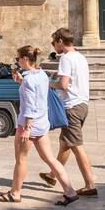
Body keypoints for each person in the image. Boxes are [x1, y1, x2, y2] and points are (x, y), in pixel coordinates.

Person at [0, 46, 77, 205]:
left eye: (18, 58)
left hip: (29, 126)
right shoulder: (42, 74)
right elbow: (37, 93)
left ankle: (15, 193)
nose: (17, 61)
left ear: (25, 59)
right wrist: (21, 81)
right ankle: (70, 191)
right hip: (42, 123)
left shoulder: (28, 80)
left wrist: (26, 129)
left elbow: (29, 106)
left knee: (21, 160)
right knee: (50, 159)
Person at [40, 28, 96, 197]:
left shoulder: (65, 58)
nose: (53, 46)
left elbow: (63, 85)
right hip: (83, 105)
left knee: (77, 146)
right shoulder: (80, 57)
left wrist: (49, 84)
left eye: (53, 42)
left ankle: (89, 184)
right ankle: (52, 175)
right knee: (66, 143)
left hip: (71, 107)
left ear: (60, 41)